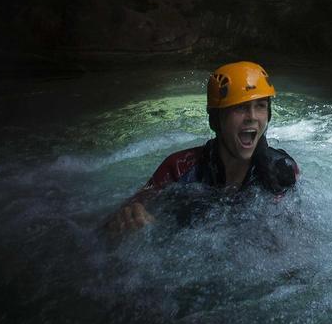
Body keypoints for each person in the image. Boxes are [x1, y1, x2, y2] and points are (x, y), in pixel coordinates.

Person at [105, 60, 299, 235]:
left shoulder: (282, 169)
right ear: (216, 119)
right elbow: (132, 207)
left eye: (260, 106)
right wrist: (130, 215)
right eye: (240, 107)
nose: (252, 116)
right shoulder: (179, 167)